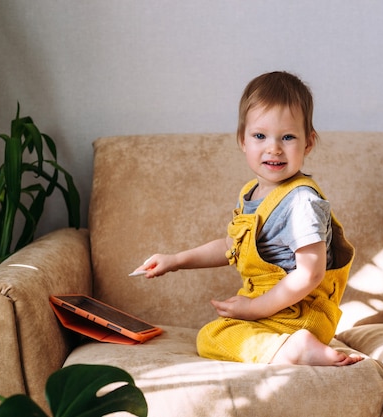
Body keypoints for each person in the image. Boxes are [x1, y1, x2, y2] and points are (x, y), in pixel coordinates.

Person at [131, 71, 360, 366]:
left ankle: (298, 348)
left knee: (211, 337)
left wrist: (253, 309)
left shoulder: (302, 201)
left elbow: (310, 274)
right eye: (260, 136)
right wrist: (175, 260)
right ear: (242, 140)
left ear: (308, 143)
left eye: (288, 137)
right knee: (218, 332)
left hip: (300, 313)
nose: (273, 148)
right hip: (275, 311)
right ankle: (287, 347)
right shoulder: (252, 193)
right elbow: (232, 245)